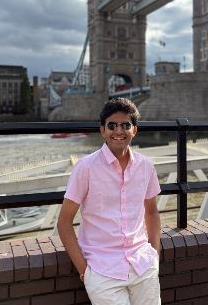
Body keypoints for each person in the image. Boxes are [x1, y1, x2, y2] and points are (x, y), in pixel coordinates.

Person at [57, 97, 161, 305]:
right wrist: (84, 271)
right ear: (102, 130)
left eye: (125, 125)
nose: (118, 131)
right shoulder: (85, 168)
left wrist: (155, 254)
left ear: (134, 130)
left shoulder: (146, 166)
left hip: (142, 263)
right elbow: (64, 222)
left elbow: (151, 212)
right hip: (101, 269)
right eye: (112, 125)